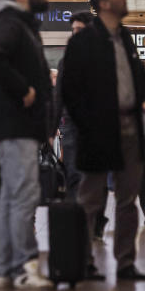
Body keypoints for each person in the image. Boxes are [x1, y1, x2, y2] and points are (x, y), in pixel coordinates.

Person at [62, 0, 145, 282]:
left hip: (130, 129)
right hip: (98, 131)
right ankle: (83, 259)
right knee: (91, 197)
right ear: (104, 3)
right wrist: (86, 124)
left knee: (128, 199)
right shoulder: (83, 42)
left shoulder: (125, 37)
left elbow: (138, 77)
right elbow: (71, 91)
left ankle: (126, 262)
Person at [0, 0, 54, 290]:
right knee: (24, 195)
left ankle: (6, 267)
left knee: (12, 197)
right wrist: (24, 88)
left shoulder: (16, 23)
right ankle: (25, 265)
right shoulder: (12, 24)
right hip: (15, 125)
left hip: (12, 126)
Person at [54, 11, 94, 201]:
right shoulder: (66, 61)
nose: (75, 33)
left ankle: (94, 222)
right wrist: (51, 126)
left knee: (94, 176)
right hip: (71, 124)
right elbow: (59, 94)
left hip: (96, 125)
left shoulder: (104, 58)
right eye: (73, 30)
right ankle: (75, 221)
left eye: (80, 29)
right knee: (73, 173)